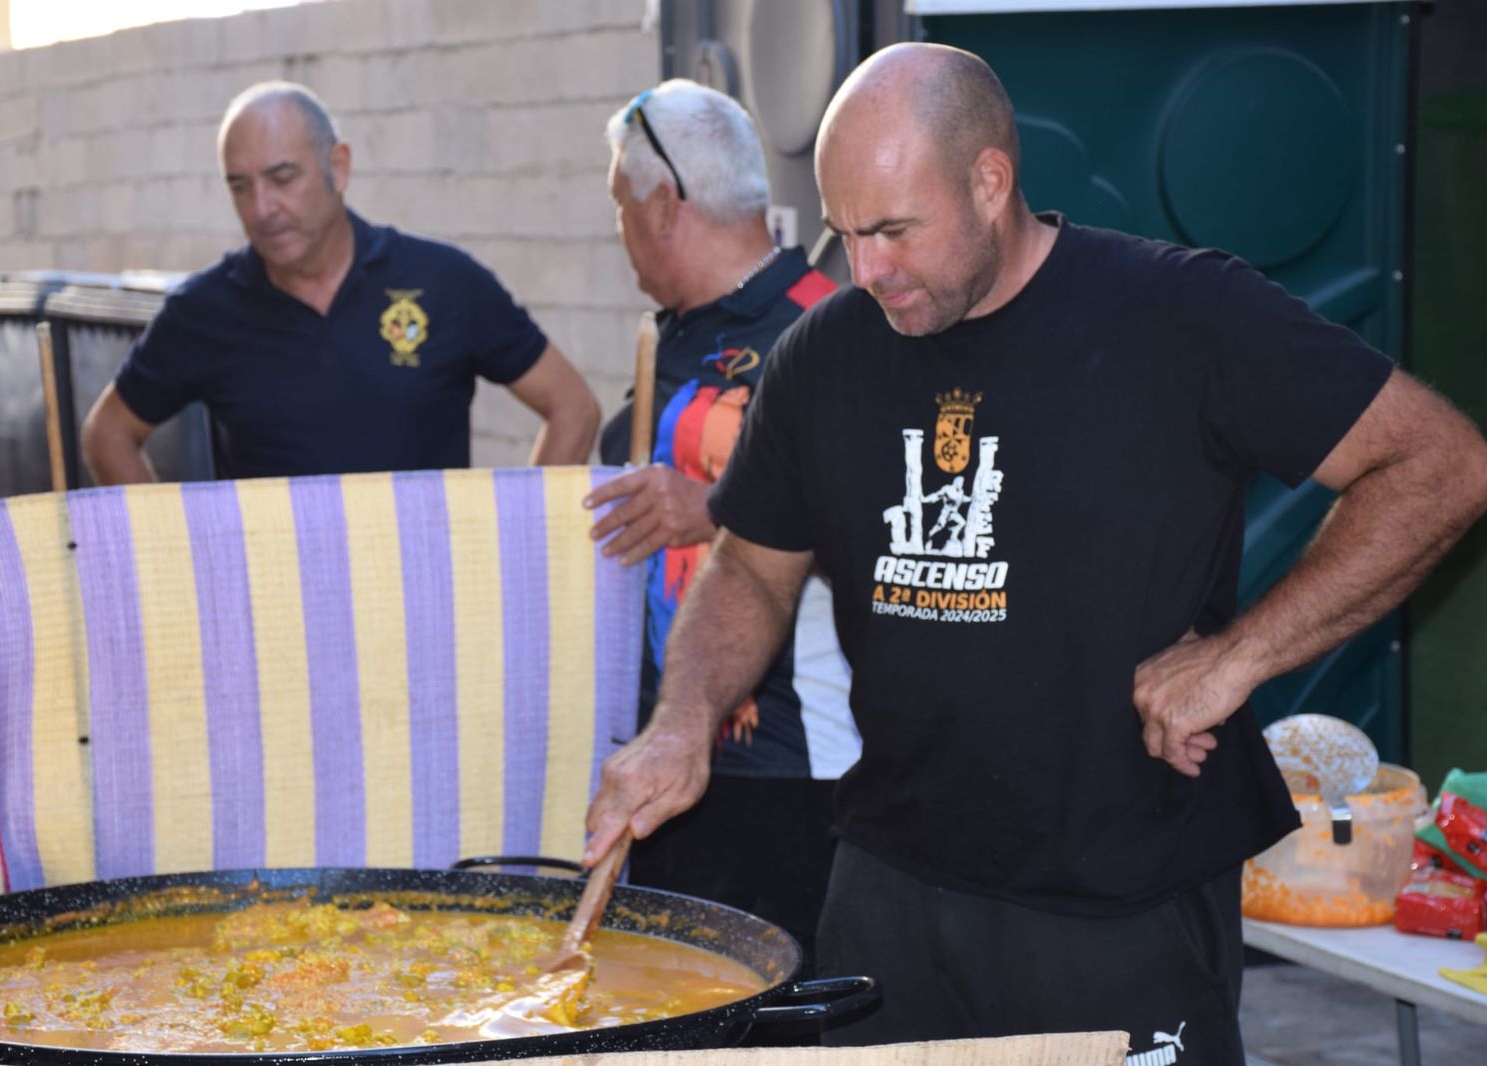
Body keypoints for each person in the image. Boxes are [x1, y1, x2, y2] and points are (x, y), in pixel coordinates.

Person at [580, 44, 1487, 1064]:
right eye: (842, 233)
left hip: (1117, 902)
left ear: (990, 181)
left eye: (890, 231)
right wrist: (682, 721)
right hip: (890, 889)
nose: (864, 269)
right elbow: (750, 565)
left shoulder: (1181, 315)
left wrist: (1238, 655)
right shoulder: (825, 354)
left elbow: (1439, 465)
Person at [580, 79, 861, 976]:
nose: (619, 228)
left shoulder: (828, 328)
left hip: (793, 771)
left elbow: (891, 521)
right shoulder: (667, 340)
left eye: (621, 204)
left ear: (663, 204)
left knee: (775, 1019)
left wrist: (713, 509)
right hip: (666, 755)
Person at [82, 82, 599, 483]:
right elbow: (107, 434)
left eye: (283, 179)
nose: (262, 209)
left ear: (339, 167)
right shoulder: (205, 311)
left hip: (428, 603)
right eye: (241, 187)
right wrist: (176, 556)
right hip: (276, 610)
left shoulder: (443, 283)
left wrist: (523, 539)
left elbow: (573, 406)